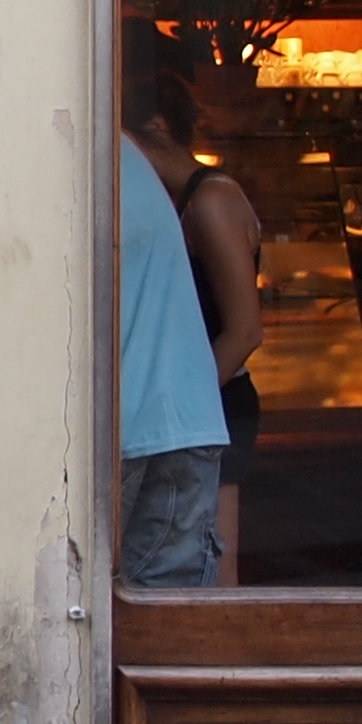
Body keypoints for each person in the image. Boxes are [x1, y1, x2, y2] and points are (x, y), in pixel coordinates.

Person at [126, 43, 264, 582]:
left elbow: (245, 330)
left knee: (216, 572)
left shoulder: (209, 201)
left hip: (216, 394)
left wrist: (183, 393)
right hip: (194, 397)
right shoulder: (177, 203)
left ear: (155, 130)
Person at [115, 29, 232, 587]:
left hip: (129, 422)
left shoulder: (97, 158)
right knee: (167, 612)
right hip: (184, 418)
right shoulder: (122, 163)